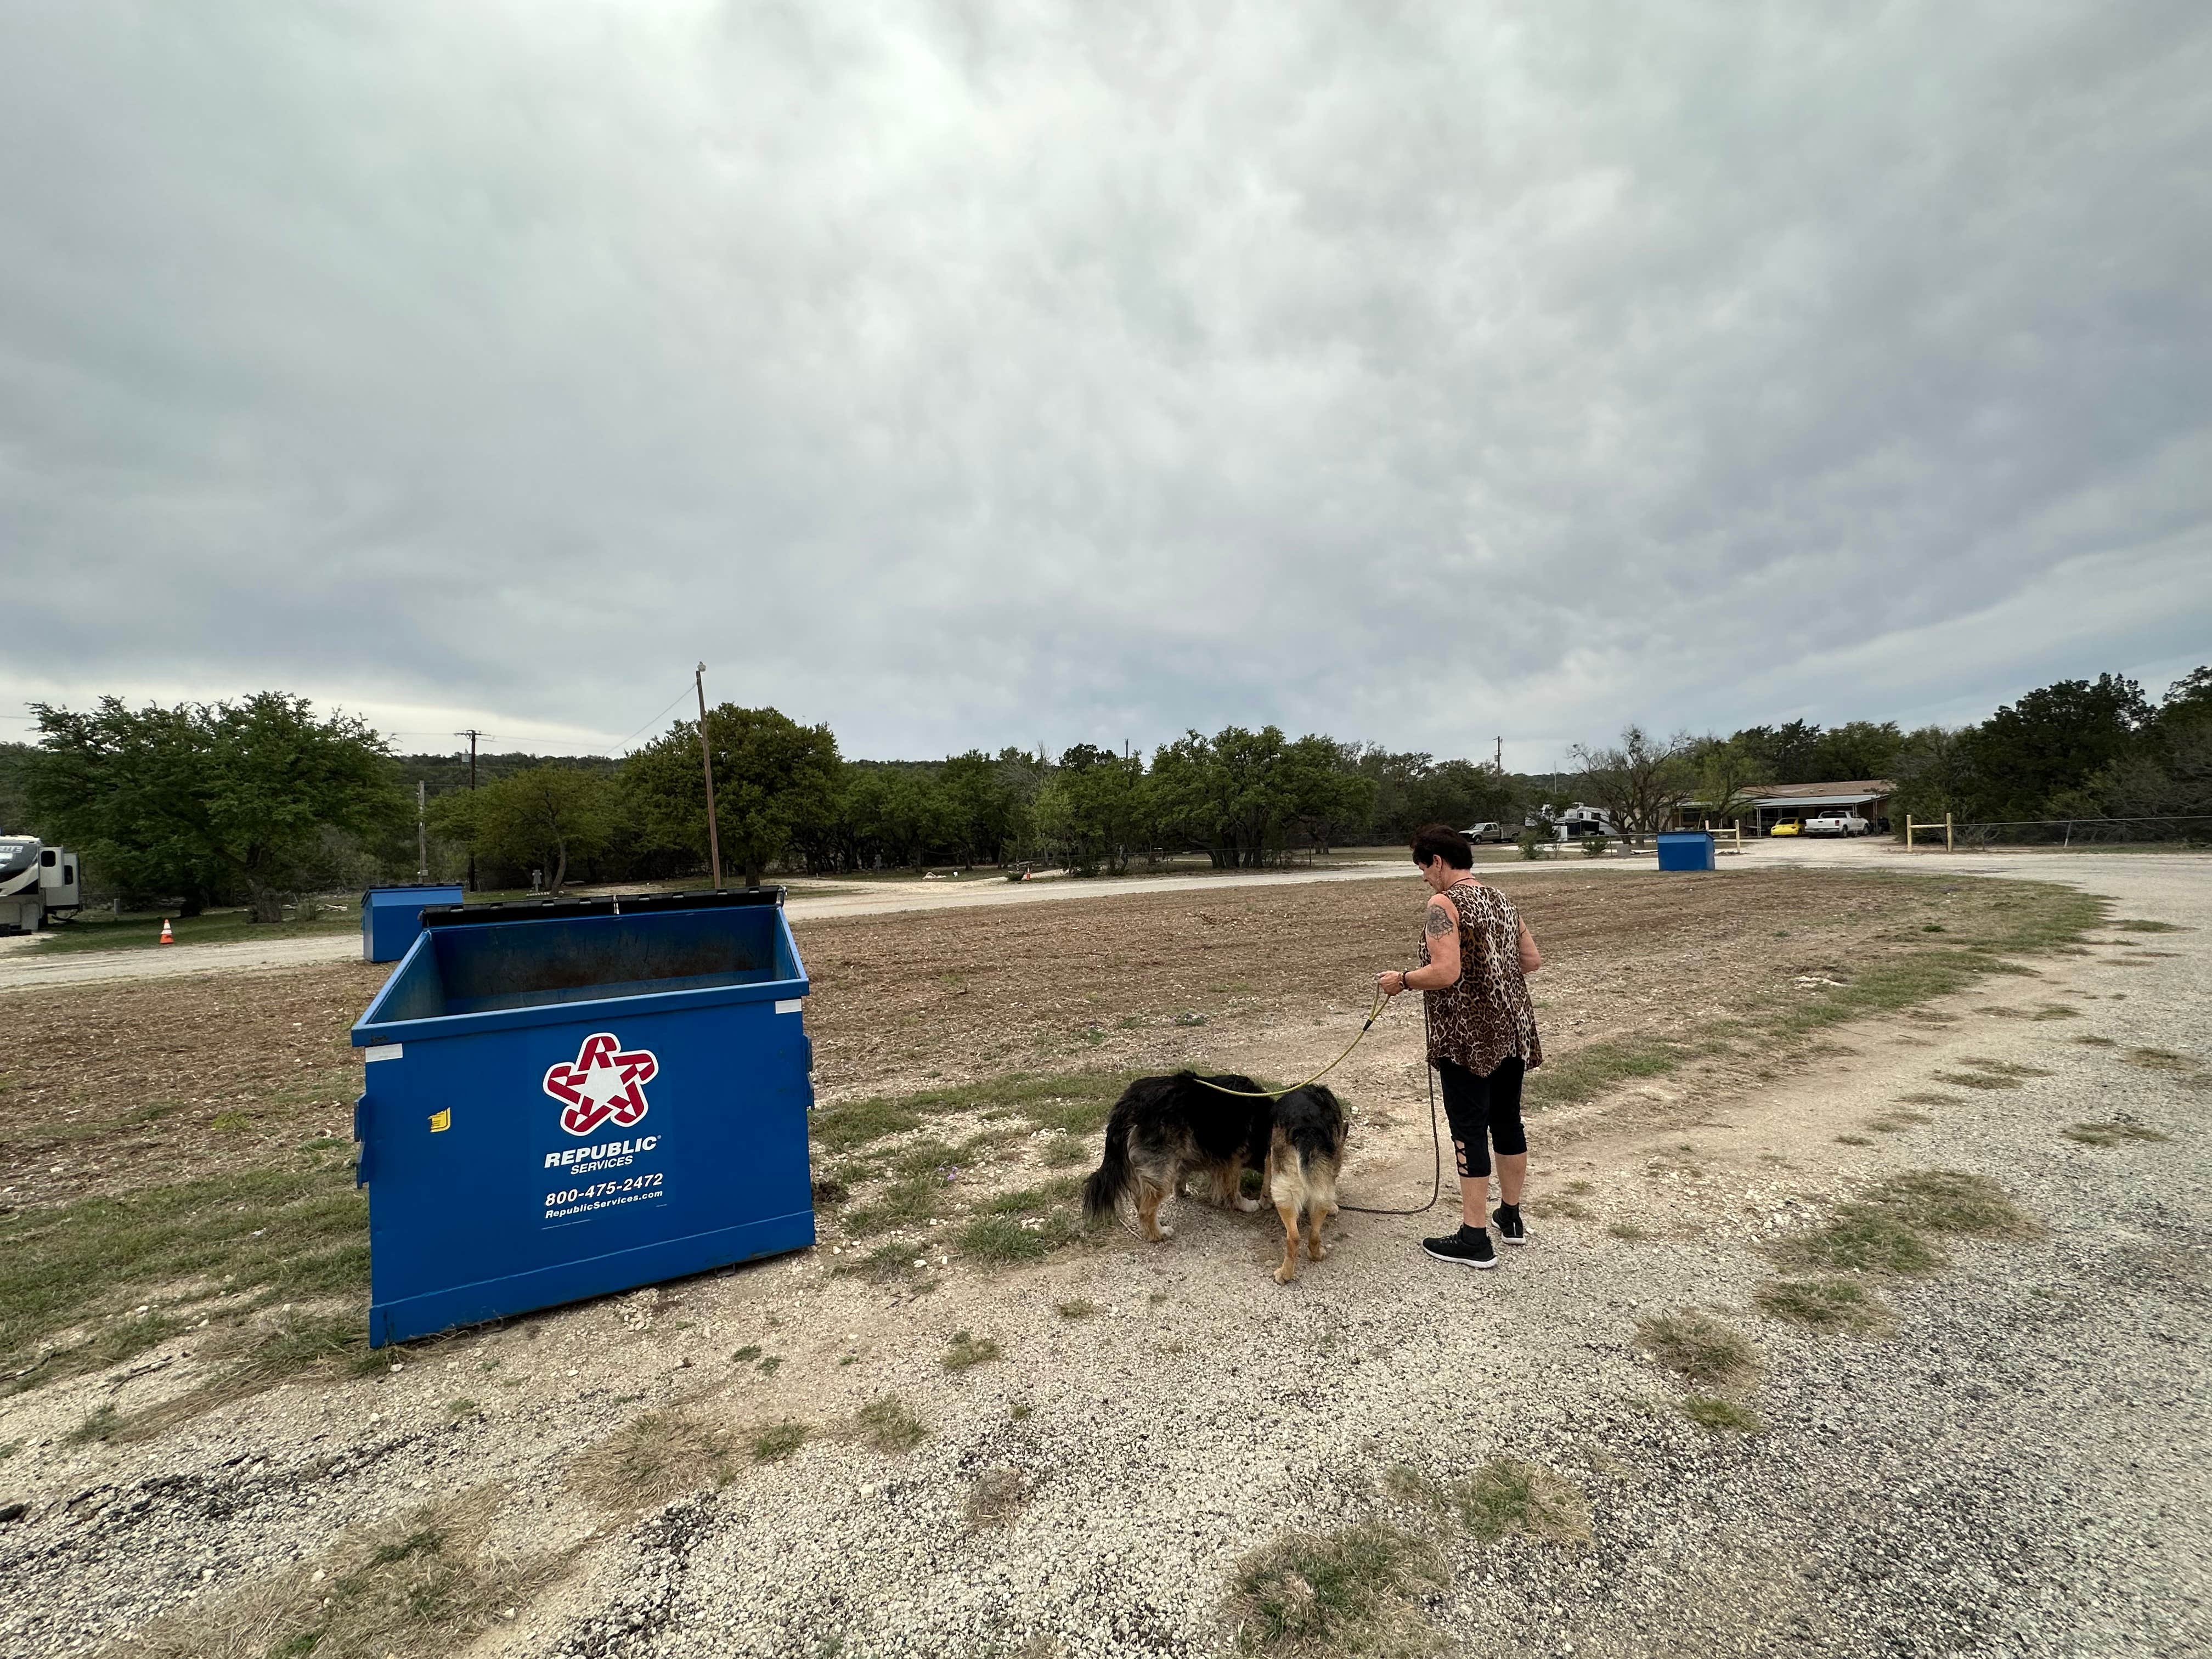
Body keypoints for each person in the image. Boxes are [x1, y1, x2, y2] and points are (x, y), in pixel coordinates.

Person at [1378, 823, 1544, 1270]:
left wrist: (1403, 981)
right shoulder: (1502, 899)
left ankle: (1473, 1238)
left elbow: (1445, 971)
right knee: (1508, 1121)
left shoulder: (1443, 903)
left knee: (1469, 1128)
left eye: (1422, 867)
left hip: (1468, 1036)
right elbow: (1531, 960)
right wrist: (1493, 977)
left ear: (1437, 861)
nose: (1423, 878)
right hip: (1513, 1027)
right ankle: (1510, 1218)